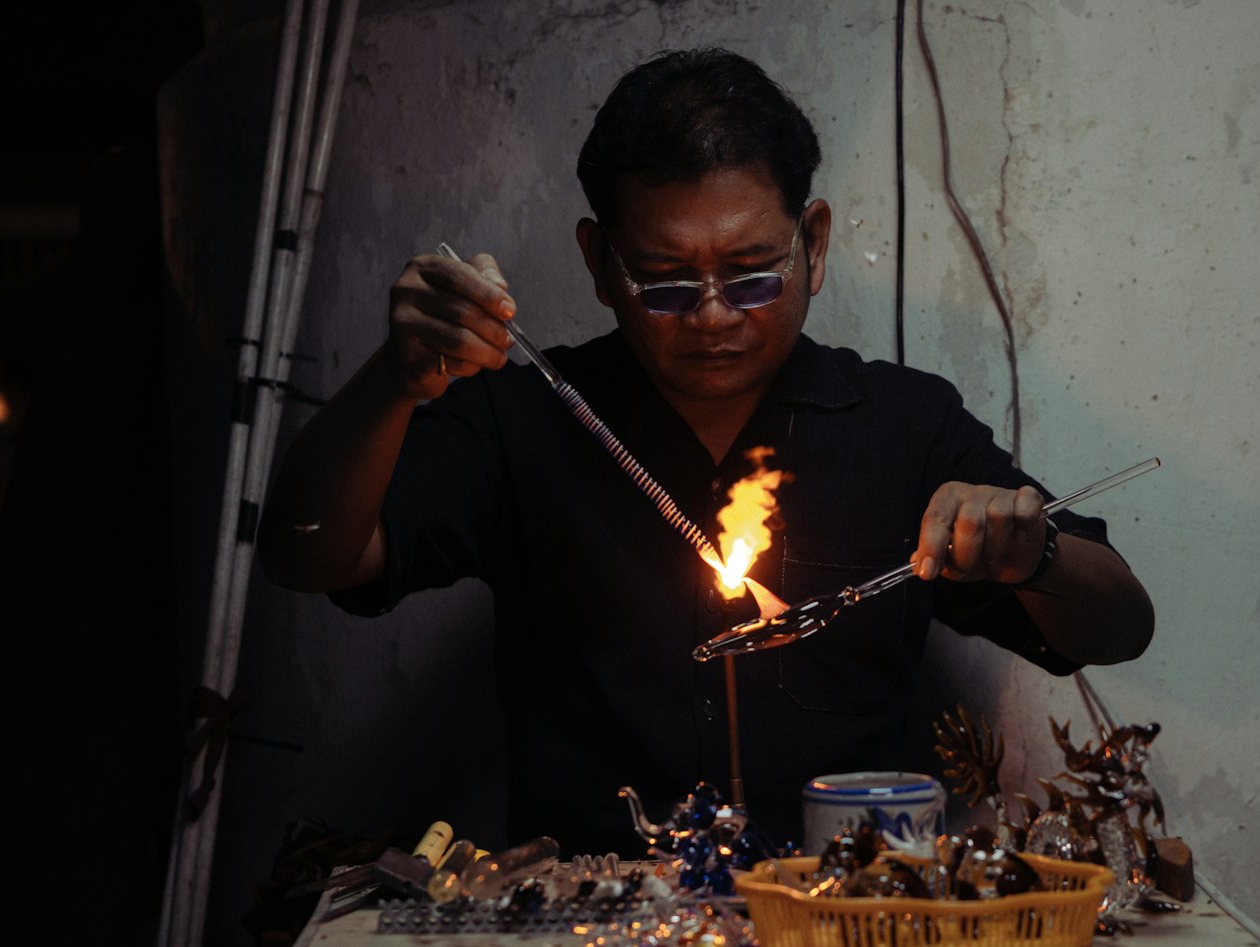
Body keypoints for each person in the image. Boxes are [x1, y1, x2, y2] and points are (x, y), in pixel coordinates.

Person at [258, 47, 1154, 860]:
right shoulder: (520, 417)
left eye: (754, 270)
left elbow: (1119, 627)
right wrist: (395, 380)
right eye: (667, 281)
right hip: (592, 942)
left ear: (815, 244)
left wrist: (1034, 552)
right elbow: (308, 550)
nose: (716, 314)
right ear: (600, 264)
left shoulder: (900, 423)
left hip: (844, 930)